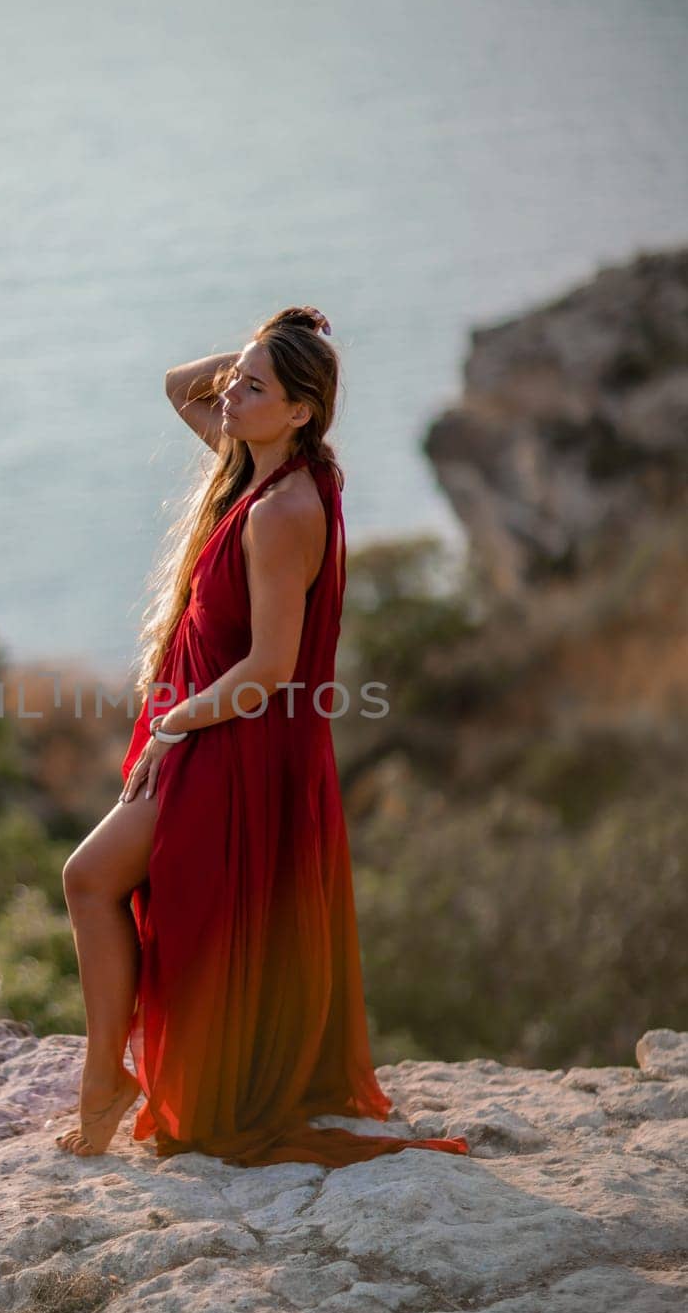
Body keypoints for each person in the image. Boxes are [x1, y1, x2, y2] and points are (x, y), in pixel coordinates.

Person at [51, 305, 468, 1168]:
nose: (229, 397)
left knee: (90, 879)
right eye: (234, 384)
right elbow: (178, 387)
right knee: (110, 886)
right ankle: (111, 1078)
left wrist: (170, 723)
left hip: (233, 741)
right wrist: (269, 346)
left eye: (253, 389)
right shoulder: (254, 467)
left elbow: (271, 668)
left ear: (303, 412)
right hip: (215, 731)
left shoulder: (283, 512)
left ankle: (107, 1084)